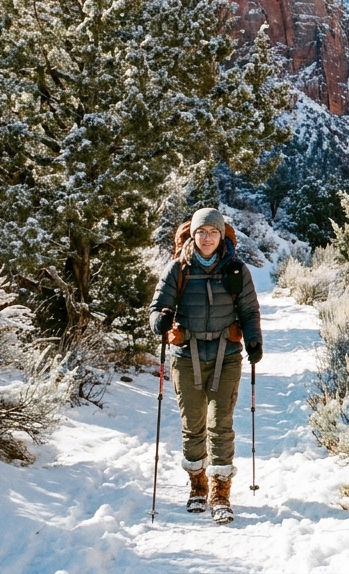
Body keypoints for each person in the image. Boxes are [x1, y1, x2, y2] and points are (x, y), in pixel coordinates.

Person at [149, 208, 263, 525]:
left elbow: (250, 310)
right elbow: (157, 306)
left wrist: (254, 341)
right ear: (193, 235)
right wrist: (159, 320)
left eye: (213, 232)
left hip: (227, 354)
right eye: (202, 232)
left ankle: (220, 494)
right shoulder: (179, 268)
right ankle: (197, 488)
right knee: (193, 424)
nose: (208, 238)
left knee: (221, 423)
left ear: (221, 235)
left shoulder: (237, 269)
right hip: (187, 356)